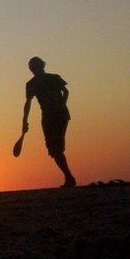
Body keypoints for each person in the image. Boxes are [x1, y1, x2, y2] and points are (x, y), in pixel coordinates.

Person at [22, 56, 76, 188]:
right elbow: (28, 102)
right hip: (49, 116)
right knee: (54, 149)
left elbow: (66, 91)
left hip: (59, 115)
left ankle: (69, 178)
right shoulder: (32, 84)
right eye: (30, 66)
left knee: (56, 148)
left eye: (33, 65)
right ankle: (69, 177)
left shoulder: (53, 78)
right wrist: (25, 121)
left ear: (40, 66)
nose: (31, 68)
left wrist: (62, 105)